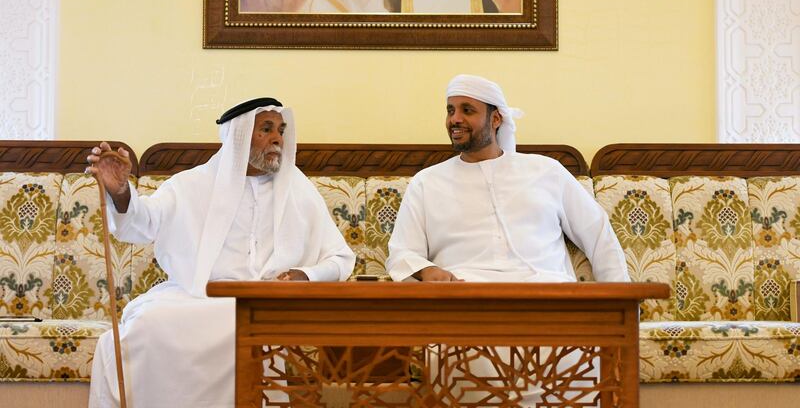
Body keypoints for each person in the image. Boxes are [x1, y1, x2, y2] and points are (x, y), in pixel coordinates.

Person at [87, 97, 356, 408]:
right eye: (266, 129)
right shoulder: (192, 184)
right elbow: (141, 223)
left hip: (263, 302)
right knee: (146, 325)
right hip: (196, 295)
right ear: (239, 135)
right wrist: (120, 191)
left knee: (252, 326)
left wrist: (305, 275)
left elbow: (340, 258)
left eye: (281, 130)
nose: (277, 138)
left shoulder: (298, 189)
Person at [386, 74, 629, 405]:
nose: (454, 119)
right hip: (468, 303)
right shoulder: (427, 183)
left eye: (467, 110)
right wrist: (427, 271)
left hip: (549, 299)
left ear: (496, 118)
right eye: (450, 110)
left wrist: (621, 311)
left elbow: (600, 236)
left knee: (572, 347)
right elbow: (402, 251)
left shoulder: (546, 171)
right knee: (465, 352)